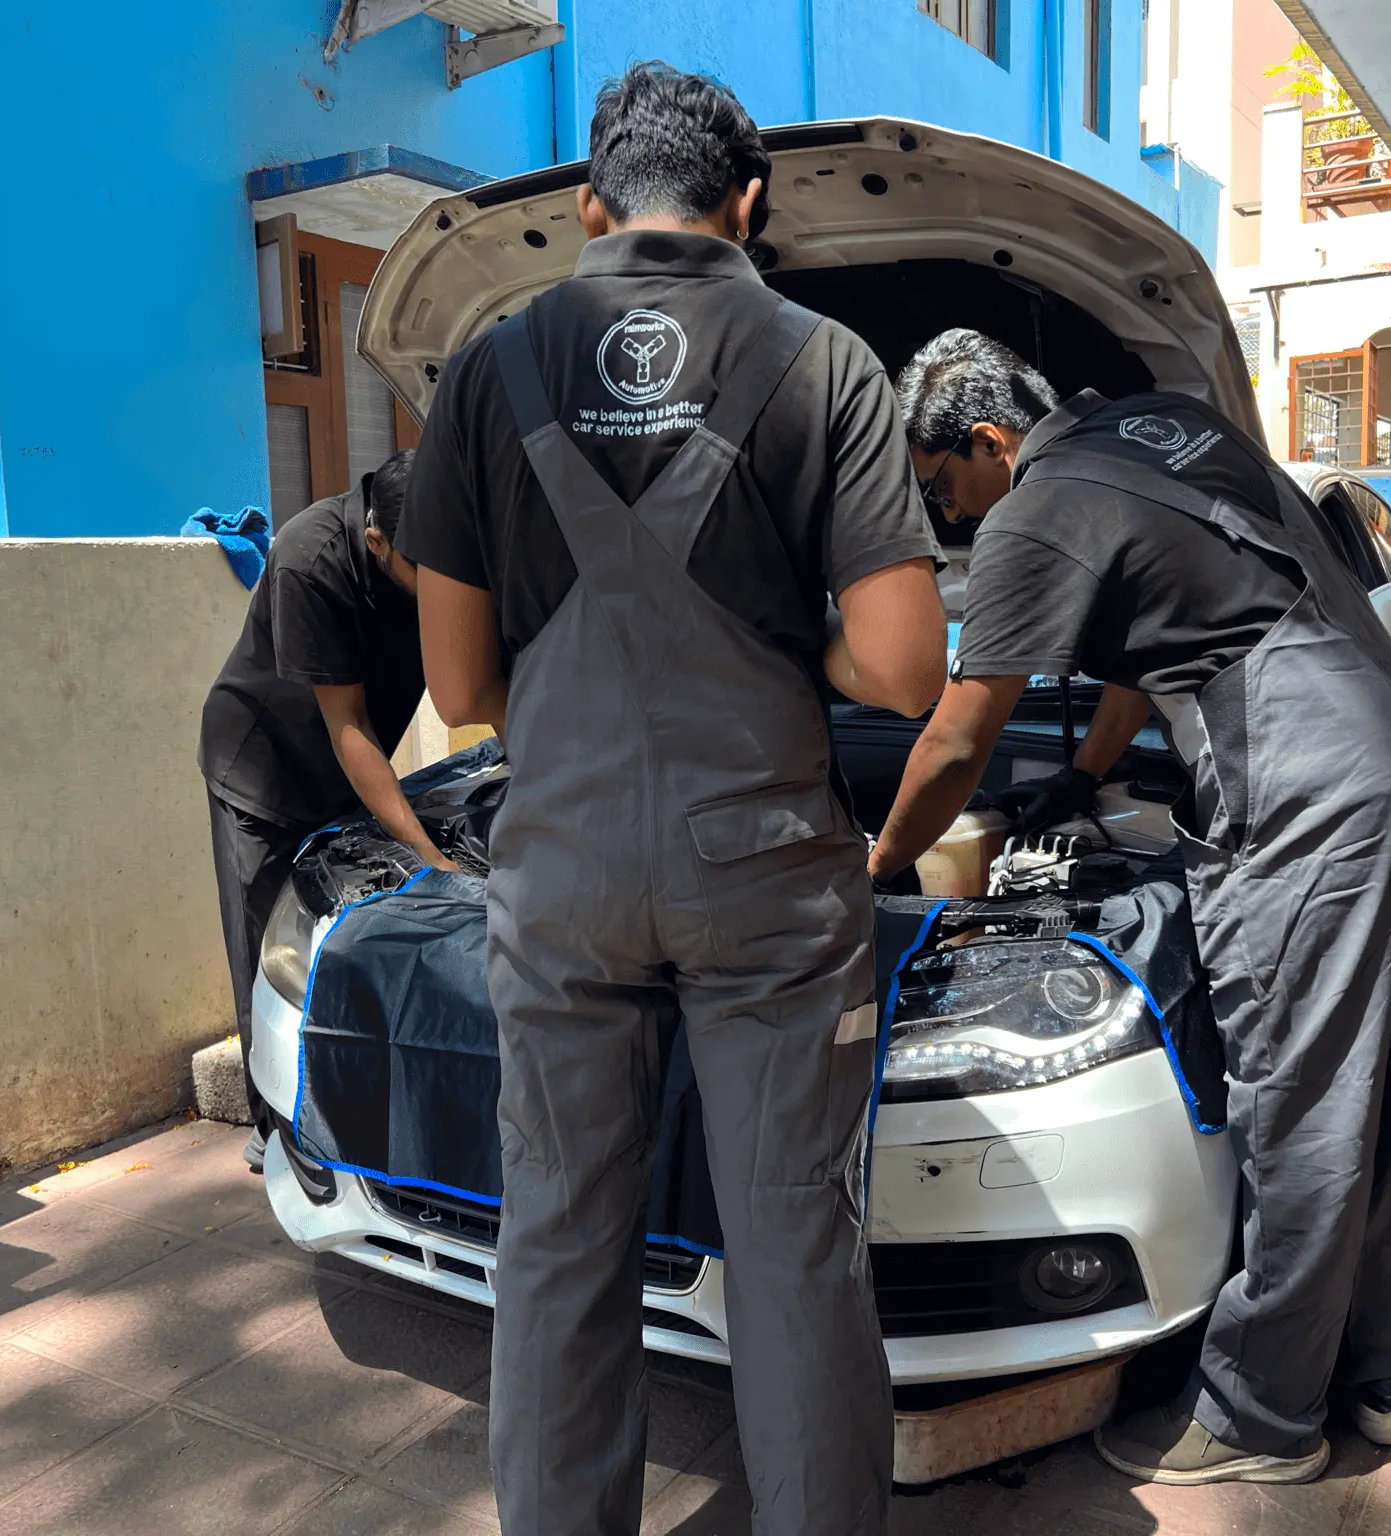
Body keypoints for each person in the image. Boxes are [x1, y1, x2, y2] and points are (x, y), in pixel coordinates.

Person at [401, 62, 948, 1536]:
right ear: (748, 204)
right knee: (792, 1251)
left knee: (563, 1242)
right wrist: (796, 646)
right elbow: (905, 669)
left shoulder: (492, 365)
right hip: (768, 873)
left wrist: (584, 741)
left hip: (563, 868)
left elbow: (458, 688)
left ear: (588, 207)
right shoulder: (822, 361)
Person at [869, 330, 1391, 1484]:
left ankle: (1258, 1417)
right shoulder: (1166, 432)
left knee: (1301, 1099)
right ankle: (1377, 1375)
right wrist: (1087, 779)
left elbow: (954, 734)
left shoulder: (1036, 507)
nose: (947, 516)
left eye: (943, 486)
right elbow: (1157, 650)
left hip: (1302, 772)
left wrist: (880, 863)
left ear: (991, 442)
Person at [198, 451, 451, 1172]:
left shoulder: (436, 546)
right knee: (272, 946)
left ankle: (346, 1092)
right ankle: (274, 1126)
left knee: (350, 935)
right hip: (263, 765)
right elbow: (348, 728)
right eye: (422, 573)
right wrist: (427, 854)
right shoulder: (309, 557)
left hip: (346, 759)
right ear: (377, 543)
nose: (441, 588)